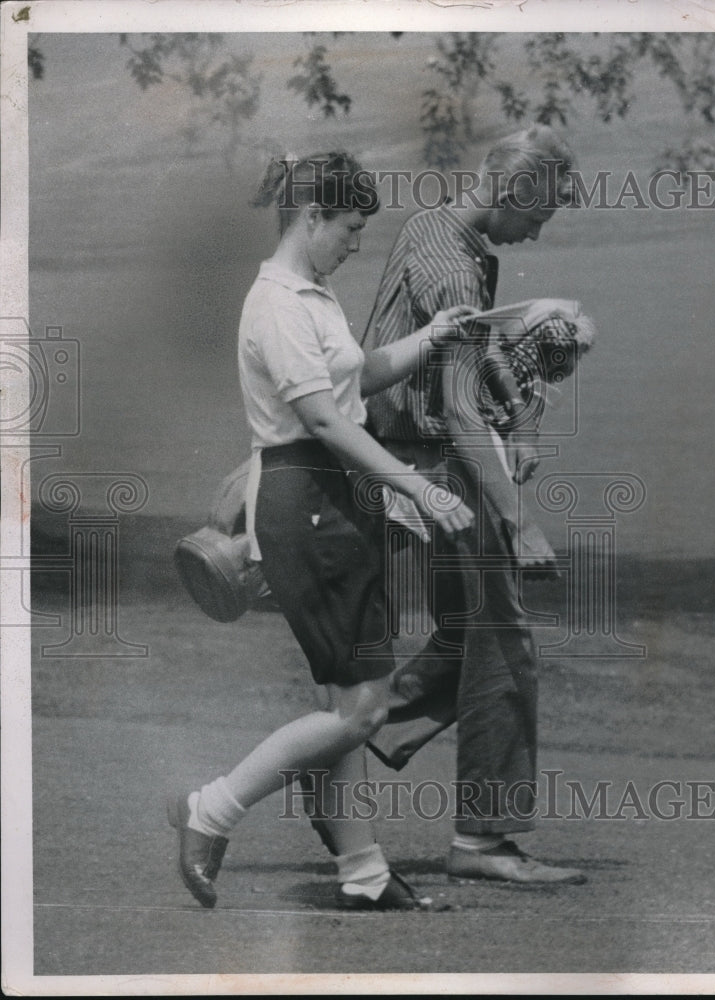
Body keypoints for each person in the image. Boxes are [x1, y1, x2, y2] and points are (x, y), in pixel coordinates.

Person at [167, 151, 476, 911]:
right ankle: (212, 809)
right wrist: (419, 491)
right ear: (311, 219)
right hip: (308, 502)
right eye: (350, 228)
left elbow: (359, 376)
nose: (357, 243)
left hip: (337, 503)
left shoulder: (315, 293)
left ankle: (364, 876)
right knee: (362, 711)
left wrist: (433, 336)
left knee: (345, 702)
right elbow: (323, 418)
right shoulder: (276, 303)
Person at [361, 124, 588, 885]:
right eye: (540, 215)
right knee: (501, 635)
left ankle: (336, 740)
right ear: (513, 191)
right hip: (434, 461)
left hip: (410, 458)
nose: (536, 232)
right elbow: (458, 414)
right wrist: (519, 525)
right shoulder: (457, 270)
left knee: (463, 633)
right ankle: (483, 841)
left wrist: (520, 419)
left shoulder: (438, 232)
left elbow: (477, 349)